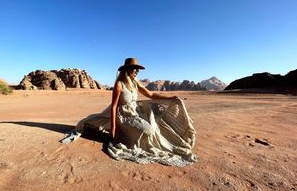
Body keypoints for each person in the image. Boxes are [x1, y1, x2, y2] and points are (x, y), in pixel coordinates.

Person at [60, 58, 197, 166]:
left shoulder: (135, 81)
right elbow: (114, 107)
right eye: (134, 69)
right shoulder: (119, 84)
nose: (137, 72)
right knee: (148, 130)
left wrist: (170, 98)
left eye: (138, 70)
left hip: (134, 112)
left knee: (154, 126)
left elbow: (150, 94)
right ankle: (118, 133)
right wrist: (114, 127)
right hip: (123, 116)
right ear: (127, 69)